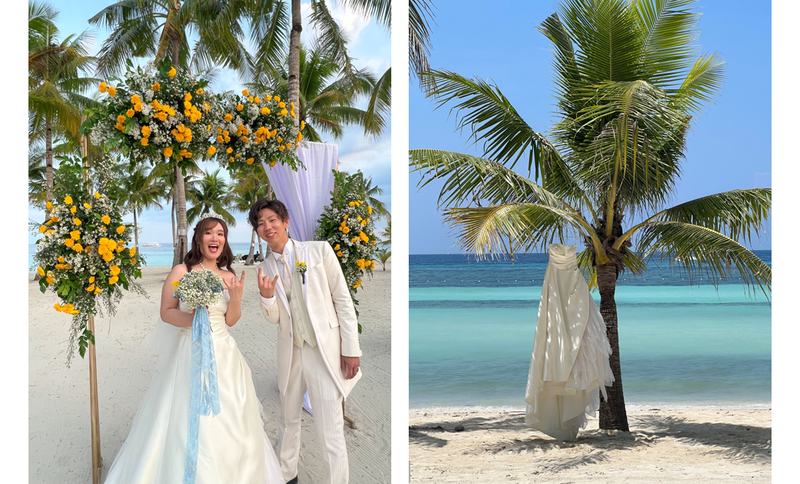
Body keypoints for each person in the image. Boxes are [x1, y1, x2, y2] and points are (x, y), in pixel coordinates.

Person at [104, 216, 283, 484]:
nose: (215, 238)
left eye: (220, 234)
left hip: (225, 355)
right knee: (181, 417)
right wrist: (195, 321)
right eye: (209, 233)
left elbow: (230, 320)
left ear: (225, 241)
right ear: (199, 238)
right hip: (189, 351)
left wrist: (235, 298)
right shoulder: (182, 272)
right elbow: (166, 313)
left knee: (233, 417)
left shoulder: (229, 275)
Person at [250, 199, 361, 484]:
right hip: (292, 352)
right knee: (288, 422)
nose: (267, 226)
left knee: (330, 429)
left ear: (285, 221)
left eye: (272, 219)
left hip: (323, 350)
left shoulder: (318, 251)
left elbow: (343, 302)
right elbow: (275, 318)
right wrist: (265, 297)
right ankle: (287, 477)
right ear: (258, 231)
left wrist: (351, 349)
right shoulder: (264, 268)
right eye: (260, 223)